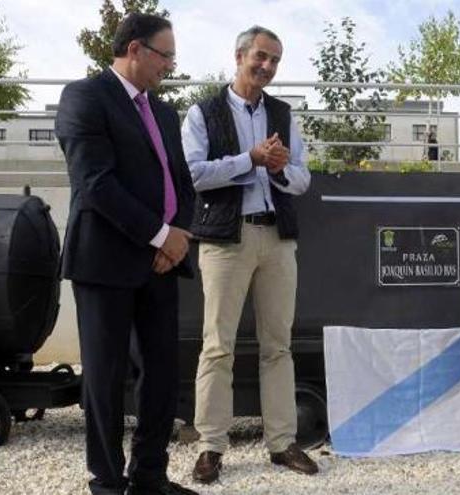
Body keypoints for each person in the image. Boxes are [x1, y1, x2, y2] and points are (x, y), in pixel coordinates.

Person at [54, 13, 197, 495]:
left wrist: (177, 236)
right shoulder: (84, 98)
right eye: (165, 55)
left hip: (162, 263)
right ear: (135, 49)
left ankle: (150, 475)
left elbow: (181, 181)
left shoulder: (164, 113)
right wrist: (159, 235)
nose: (170, 66)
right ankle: (108, 483)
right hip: (106, 262)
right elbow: (95, 184)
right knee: (105, 377)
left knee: (161, 373)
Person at [181, 25, 316, 484]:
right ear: (239, 56)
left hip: (276, 238)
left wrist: (278, 170)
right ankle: (210, 447)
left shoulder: (283, 113)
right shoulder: (203, 112)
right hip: (224, 241)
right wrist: (251, 159)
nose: (268, 66)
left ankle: (281, 443)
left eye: (275, 60)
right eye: (261, 56)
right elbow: (195, 175)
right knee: (217, 346)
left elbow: (303, 180)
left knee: (278, 345)